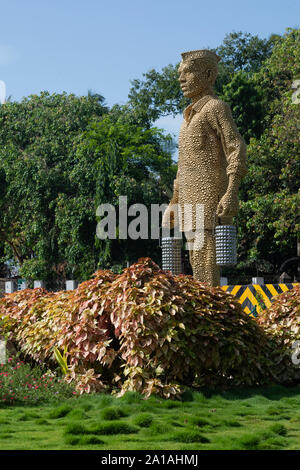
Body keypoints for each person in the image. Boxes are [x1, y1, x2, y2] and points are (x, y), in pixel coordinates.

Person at [162, 49, 247, 286]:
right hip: (188, 202)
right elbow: (183, 166)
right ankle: (205, 311)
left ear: (208, 75)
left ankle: (213, 313)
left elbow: (236, 147)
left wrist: (231, 191)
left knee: (205, 263)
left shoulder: (215, 108)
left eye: (188, 73)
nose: (181, 79)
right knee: (192, 261)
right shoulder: (186, 119)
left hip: (209, 201)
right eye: (180, 73)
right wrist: (174, 200)